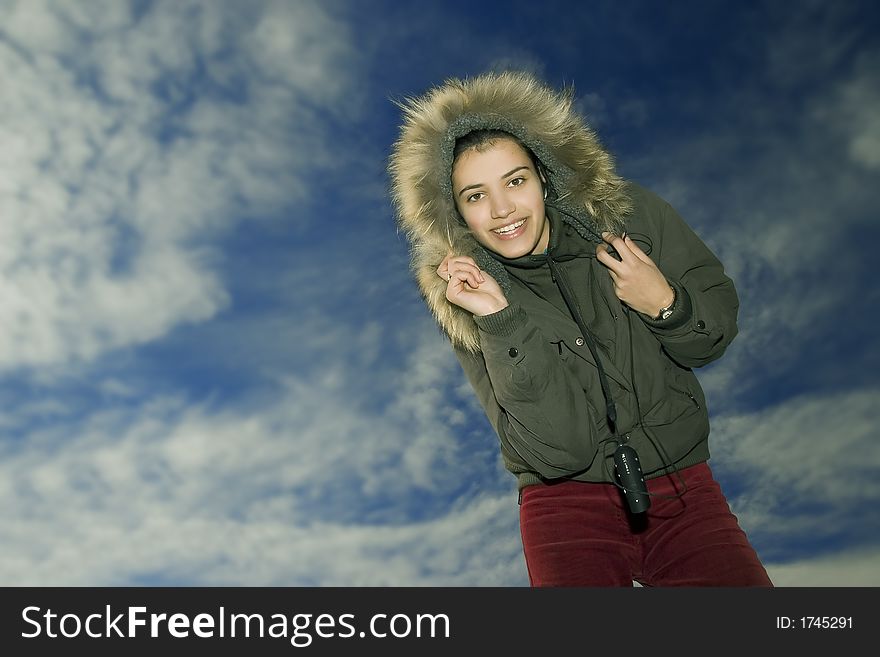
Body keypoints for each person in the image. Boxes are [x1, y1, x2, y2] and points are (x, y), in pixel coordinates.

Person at [388, 70, 772, 587]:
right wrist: (503, 323)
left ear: (544, 176)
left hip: (683, 484)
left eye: (516, 181)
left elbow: (711, 338)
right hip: (563, 506)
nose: (502, 210)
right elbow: (558, 449)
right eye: (475, 195)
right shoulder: (464, 291)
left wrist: (665, 304)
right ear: (455, 212)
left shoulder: (630, 217)